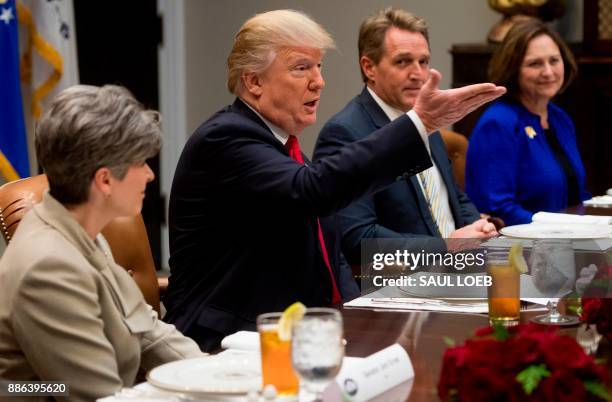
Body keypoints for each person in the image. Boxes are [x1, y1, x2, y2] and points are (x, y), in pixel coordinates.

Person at [165, 9, 505, 351]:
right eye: (301, 68)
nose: (319, 81)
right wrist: (419, 123)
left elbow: (331, 251)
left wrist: (357, 319)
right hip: (229, 342)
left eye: (319, 66)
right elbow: (315, 192)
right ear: (254, 82)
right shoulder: (226, 139)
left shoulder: (282, 146)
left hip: (307, 330)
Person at [0, 85, 202, 401]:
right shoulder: (49, 267)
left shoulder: (81, 230)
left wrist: (218, 376)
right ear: (105, 180)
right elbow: (98, 395)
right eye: (141, 163)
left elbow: (147, 330)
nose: (150, 175)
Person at [313, 8, 498, 267]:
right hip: (397, 288)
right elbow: (359, 240)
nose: (418, 74)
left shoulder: (423, 117)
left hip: (459, 270)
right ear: (369, 67)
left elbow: (452, 196)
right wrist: (445, 247)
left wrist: (477, 227)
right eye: (402, 61)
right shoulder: (345, 133)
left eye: (423, 62)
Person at [466, 19, 589, 225]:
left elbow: (577, 195)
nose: (548, 72)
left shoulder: (559, 118)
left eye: (554, 60)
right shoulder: (499, 124)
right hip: (521, 249)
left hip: (568, 242)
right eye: (535, 63)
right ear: (513, 69)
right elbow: (497, 209)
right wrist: (561, 229)